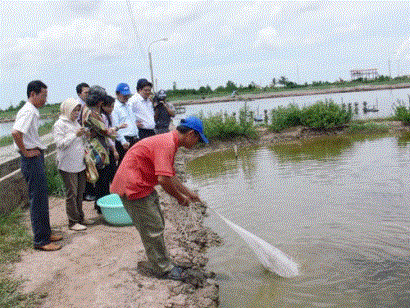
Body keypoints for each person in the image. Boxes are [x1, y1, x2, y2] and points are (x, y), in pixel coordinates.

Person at [110, 116, 208, 280]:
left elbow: (169, 176)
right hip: (133, 185)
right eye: (198, 140)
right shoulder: (167, 144)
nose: (196, 144)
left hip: (142, 183)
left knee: (156, 223)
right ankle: (163, 269)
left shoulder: (170, 142)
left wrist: (188, 193)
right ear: (191, 134)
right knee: (153, 228)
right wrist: (180, 198)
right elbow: (163, 180)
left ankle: (160, 261)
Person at [12, 80, 62, 251]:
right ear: (33, 94)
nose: (45, 100)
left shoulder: (32, 110)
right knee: (38, 200)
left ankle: (46, 233)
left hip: (35, 157)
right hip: (31, 159)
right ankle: (41, 240)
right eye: (44, 95)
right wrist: (26, 152)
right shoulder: (28, 111)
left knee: (41, 197)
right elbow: (15, 132)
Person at [53, 98, 92, 231]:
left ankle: (80, 217)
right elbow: (60, 144)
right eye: (74, 110)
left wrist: (84, 135)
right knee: (72, 193)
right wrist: (75, 135)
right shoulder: (60, 124)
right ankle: (73, 221)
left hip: (79, 162)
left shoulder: (75, 123)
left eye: (78, 110)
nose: (76, 113)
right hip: (67, 165)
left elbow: (79, 141)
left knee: (80, 192)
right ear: (67, 109)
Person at [82, 86, 116, 213]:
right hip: (97, 149)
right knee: (102, 178)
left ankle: (100, 204)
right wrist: (115, 130)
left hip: (95, 146)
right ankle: (102, 206)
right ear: (100, 101)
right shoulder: (92, 113)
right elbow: (104, 130)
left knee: (101, 178)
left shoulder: (86, 109)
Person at [101, 95, 126, 184]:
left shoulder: (109, 116)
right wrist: (114, 150)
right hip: (107, 148)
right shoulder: (103, 117)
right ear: (102, 106)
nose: (111, 109)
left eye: (112, 106)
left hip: (110, 146)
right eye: (109, 106)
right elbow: (107, 134)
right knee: (110, 172)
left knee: (113, 171)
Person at [111, 83, 139, 164]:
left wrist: (137, 135)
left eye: (127, 95)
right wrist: (123, 141)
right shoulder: (115, 108)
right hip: (124, 142)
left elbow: (133, 122)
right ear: (117, 94)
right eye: (124, 95)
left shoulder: (129, 105)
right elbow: (116, 127)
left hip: (134, 139)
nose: (126, 97)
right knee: (125, 164)